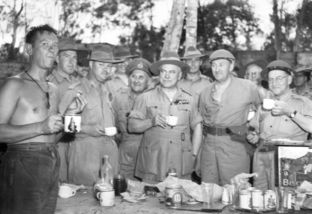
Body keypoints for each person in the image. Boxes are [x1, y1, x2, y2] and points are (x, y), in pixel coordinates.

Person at [0, 25, 84, 214]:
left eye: (55, 46)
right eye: (45, 45)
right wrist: (40, 127)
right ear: (29, 49)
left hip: (50, 161)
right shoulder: (15, 84)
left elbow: (54, 137)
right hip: (23, 164)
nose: (52, 50)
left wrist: (70, 117)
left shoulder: (52, 87)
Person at [128, 51, 202, 183]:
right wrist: (151, 122)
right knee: (150, 201)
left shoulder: (189, 99)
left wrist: (194, 154)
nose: (167, 76)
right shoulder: (144, 97)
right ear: (159, 74)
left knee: (179, 199)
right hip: (153, 163)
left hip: (181, 162)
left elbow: (197, 127)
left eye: (172, 72)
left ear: (179, 76)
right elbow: (132, 126)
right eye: (163, 71)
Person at [198, 49, 261, 186]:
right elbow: (202, 120)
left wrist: (254, 127)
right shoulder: (205, 92)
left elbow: (262, 108)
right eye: (214, 65)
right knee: (209, 189)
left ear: (231, 66)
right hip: (209, 146)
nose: (217, 69)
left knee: (235, 189)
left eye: (221, 64)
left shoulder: (247, 87)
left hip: (235, 144)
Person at [247, 60, 312, 190]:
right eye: (271, 79)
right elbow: (253, 129)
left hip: (291, 159)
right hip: (262, 157)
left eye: (279, 78)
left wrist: (290, 112)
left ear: (289, 79)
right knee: (261, 199)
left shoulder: (303, 103)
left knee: (289, 202)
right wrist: (253, 135)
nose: (274, 83)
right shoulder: (264, 105)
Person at [68, 45, 120, 186]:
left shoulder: (108, 89)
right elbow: (65, 125)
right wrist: (87, 129)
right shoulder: (76, 89)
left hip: (109, 154)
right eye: (101, 64)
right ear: (91, 64)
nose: (106, 69)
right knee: (84, 200)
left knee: (110, 198)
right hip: (86, 153)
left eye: (109, 66)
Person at [47, 38, 84, 182]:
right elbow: (47, 122)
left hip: (75, 144)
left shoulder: (77, 82)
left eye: (74, 57)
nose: (71, 61)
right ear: (56, 58)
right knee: (59, 187)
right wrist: (65, 103)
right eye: (66, 56)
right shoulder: (49, 83)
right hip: (57, 145)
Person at [112, 58, 151, 180]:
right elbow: (113, 126)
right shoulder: (119, 98)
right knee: (123, 190)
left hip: (149, 152)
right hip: (125, 155)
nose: (137, 81)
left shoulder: (154, 98)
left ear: (148, 81)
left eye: (141, 77)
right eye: (134, 77)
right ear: (129, 79)